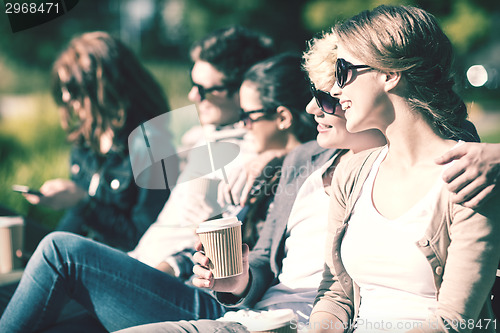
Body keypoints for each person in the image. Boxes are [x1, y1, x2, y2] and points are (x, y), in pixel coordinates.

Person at [0, 49, 322, 332]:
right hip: (170, 275)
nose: (243, 125)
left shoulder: (268, 169)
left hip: (207, 300)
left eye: (248, 117)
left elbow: (257, 258)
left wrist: (277, 157)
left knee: (59, 251)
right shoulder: (220, 146)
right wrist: (174, 264)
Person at [307, 5, 500, 332]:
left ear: (389, 74)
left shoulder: (468, 178)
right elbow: (336, 294)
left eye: (343, 71)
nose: (336, 90)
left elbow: (454, 322)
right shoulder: (352, 173)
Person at [127, 26, 275, 270]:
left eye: (207, 90)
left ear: (244, 91)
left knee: (60, 251)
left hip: (168, 277)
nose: (193, 95)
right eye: (193, 83)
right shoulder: (211, 133)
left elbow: (230, 254)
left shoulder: (251, 158)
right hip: (137, 261)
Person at [21, 31, 178, 251]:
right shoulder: (86, 141)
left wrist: (82, 202)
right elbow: (75, 224)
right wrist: (42, 254)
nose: (67, 98)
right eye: (62, 89)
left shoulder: (151, 145)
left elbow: (142, 239)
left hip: (116, 269)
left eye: (73, 88)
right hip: (78, 260)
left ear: (106, 86)